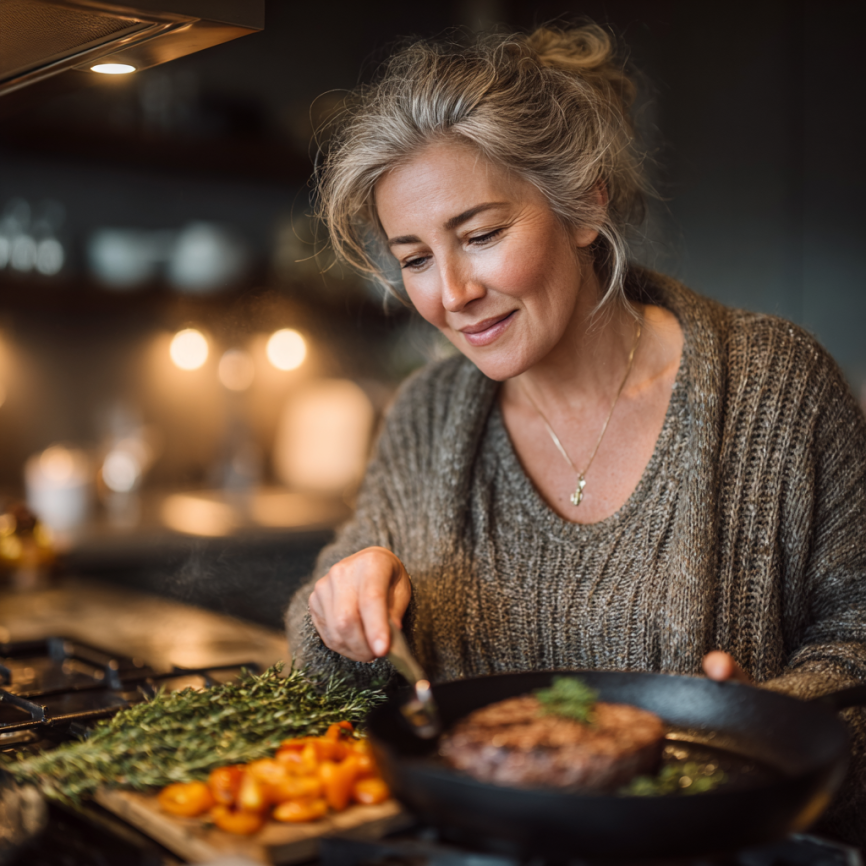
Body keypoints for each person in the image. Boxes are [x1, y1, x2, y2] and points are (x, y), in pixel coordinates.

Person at [285, 25, 866, 844]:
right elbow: (332, 680)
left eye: (481, 235)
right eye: (414, 258)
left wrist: (765, 727)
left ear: (585, 202)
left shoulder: (777, 390)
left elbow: (860, 649)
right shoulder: (422, 419)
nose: (450, 294)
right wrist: (341, 614)